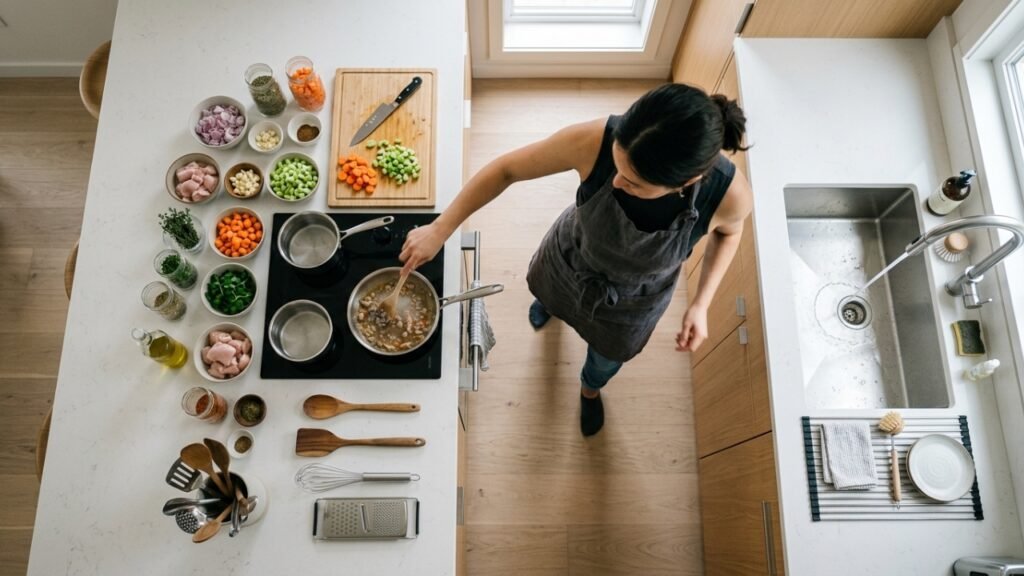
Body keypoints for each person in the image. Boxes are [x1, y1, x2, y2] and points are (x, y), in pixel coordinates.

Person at [400, 83, 753, 436]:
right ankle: (550, 306)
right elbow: (507, 169)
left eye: (634, 183)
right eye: (616, 165)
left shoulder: (728, 196)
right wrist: (441, 228)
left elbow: (729, 233)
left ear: (688, 182)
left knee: (605, 358)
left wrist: (701, 304)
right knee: (547, 295)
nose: (615, 182)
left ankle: (590, 389)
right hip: (569, 259)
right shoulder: (595, 139)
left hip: (632, 302)